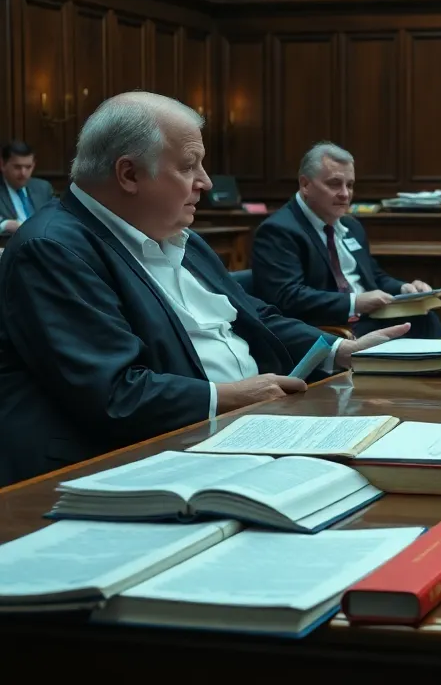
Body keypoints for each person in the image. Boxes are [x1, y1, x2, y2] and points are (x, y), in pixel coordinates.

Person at [0, 93, 405, 487]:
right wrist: (229, 395)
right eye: (189, 166)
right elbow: (115, 394)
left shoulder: (177, 232)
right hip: (141, 463)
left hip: (253, 431)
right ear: (128, 174)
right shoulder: (53, 249)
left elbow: (252, 315)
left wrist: (338, 351)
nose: (206, 183)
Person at [251, 142, 441, 339]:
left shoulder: (351, 226)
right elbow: (288, 297)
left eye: (350, 185)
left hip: (368, 319)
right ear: (305, 185)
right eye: (334, 184)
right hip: (326, 329)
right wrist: (354, 302)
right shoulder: (278, 231)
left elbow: (374, 277)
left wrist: (405, 289)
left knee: (425, 318)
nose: (345, 194)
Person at [0, 141, 54, 235]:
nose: (23, 173)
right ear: (3, 165)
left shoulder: (43, 188)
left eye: (28, 167)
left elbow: (58, 218)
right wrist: (4, 225)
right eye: (17, 167)